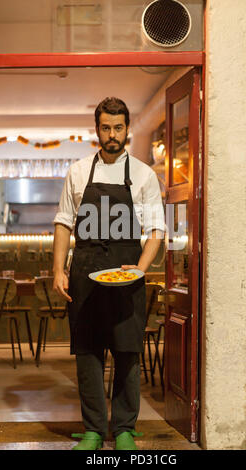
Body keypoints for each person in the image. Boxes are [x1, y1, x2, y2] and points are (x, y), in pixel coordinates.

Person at [53, 97, 165, 450]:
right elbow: (63, 224)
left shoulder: (144, 175)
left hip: (126, 274)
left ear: (127, 129)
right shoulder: (78, 171)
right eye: (106, 127)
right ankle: (92, 430)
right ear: (97, 129)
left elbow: (156, 231)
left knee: (128, 352)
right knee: (87, 352)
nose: (112, 134)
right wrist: (58, 269)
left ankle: (125, 429)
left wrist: (140, 270)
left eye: (118, 128)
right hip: (85, 271)